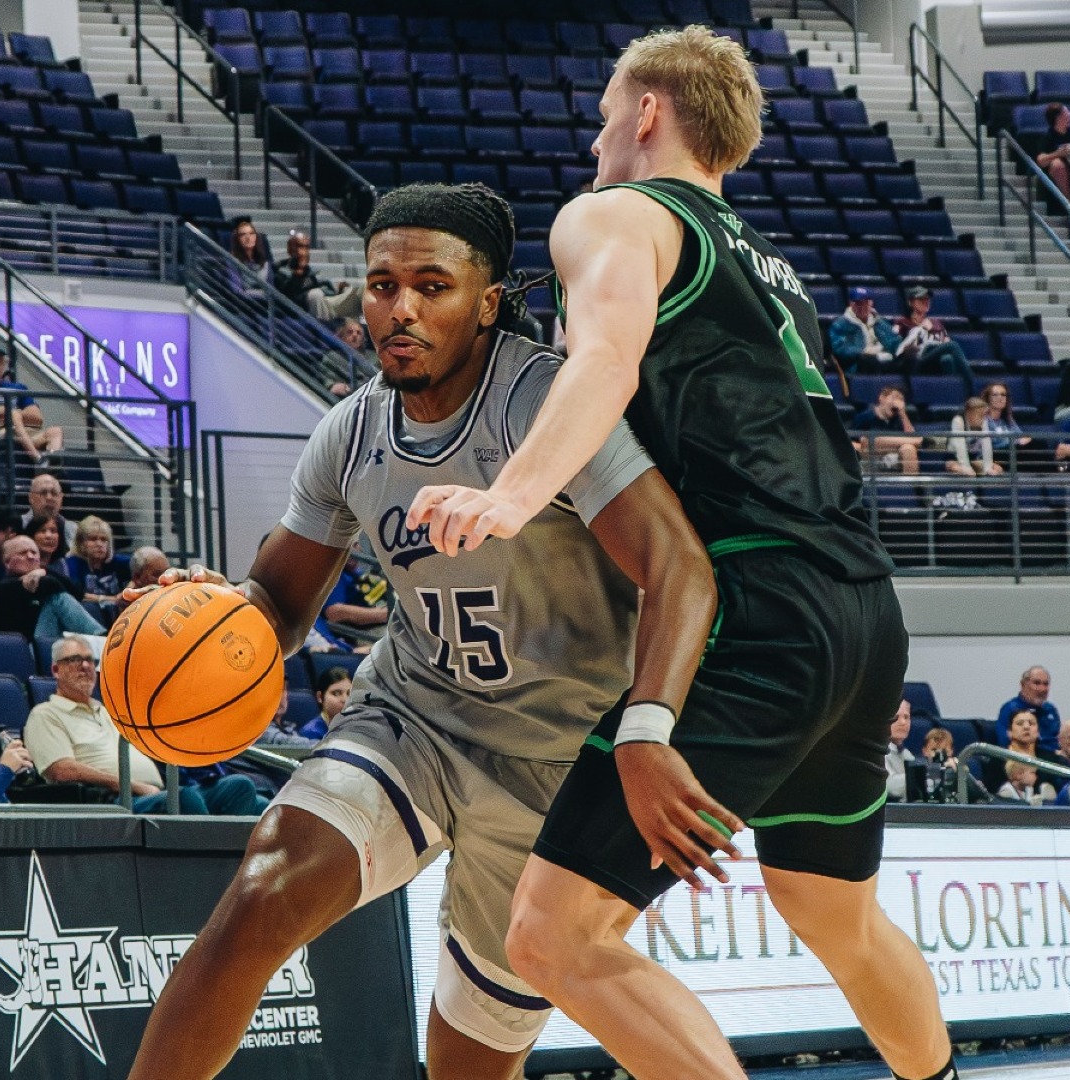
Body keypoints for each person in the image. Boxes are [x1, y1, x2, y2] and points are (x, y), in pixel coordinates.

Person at [404, 31, 957, 1080]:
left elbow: (606, 359)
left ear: (649, 112)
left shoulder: (616, 215)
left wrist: (511, 493)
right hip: (864, 613)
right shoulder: (773, 270)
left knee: (553, 934)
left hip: (759, 610)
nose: (599, 134)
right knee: (829, 908)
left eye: (609, 111)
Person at [126, 182, 719, 1080]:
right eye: (379, 284)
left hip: (559, 766)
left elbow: (680, 567)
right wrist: (207, 614)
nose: (398, 309)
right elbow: (278, 609)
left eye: (430, 286)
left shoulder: (550, 405)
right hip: (417, 719)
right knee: (262, 889)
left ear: (487, 303)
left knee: (465, 1066)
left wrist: (647, 732)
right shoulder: (349, 432)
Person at [24, 634, 264, 815]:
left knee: (238, 787)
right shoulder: (45, 714)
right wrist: (133, 786)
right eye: (75, 660)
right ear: (56, 670)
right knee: (185, 800)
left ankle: (233, 868)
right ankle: (211, 874)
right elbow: (62, 770)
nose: (86, 666)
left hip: (157, 791)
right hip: (112, 801)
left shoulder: (110, 712)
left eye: (89, 660)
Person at [0, 534, 106, 641]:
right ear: (7, 562)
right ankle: (102, 638)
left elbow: (76, 591)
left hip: (48, 640)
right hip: (25, 646)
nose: (31, 557)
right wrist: (42, 573)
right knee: (56, 599)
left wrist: (42, 570)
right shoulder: (4, 587)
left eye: (34, 552)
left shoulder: (43, 574)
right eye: (23, 553)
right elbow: (50, 584)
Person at [273, 229, 356, 320]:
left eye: (307, 247)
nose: (304, 251)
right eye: (300, 246)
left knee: (348, 291)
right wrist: (299, 273)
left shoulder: (312, 272)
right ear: (290, 249)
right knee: (315, 295)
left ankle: (351, 328)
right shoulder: (280, 270)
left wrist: (339, 291)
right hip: (296, 314)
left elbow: (327, 290)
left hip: (319, 307)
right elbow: (288, 296)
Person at [892, 287, 970, 381]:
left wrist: (933, 331)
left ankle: (953, 390)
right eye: (921, 299)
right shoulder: (902, 322)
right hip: (916, 362)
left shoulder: (936, 323)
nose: (926, 301)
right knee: (953, 346)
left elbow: (945, 340)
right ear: (910, 302)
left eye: (927, 299)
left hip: (935, 362)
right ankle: (972, 382)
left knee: (947, 359)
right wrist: (923, 329)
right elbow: (897, 347)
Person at [846, 385, 923, 476]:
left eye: (901, 399)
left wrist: (902, 414)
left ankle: (909, 489)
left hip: (893, 457)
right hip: (869, 458)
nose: (897, 403)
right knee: (868, 441)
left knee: (909, 448)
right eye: (894, 397)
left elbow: (911, 436)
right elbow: (849, 442)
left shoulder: (900, 419)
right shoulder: (865, 417)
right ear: (882, 398)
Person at [826, 286, 902, 375]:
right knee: (867, 360)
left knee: (910, 360)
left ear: (871, 303)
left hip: (885, 358)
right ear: (851, 304)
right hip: (860, 363)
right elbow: (840, 349)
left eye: (866, 303)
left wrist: (903, 348)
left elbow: (894, 341)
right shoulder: (840, 324)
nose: (862, 307)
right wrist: (863, 351)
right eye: (859, 303)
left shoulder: (880, 322)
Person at [62, 515, 126, 612]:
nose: (99, 544)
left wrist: (128, 591)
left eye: (104, 539)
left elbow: (143, 565)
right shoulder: (72, 564)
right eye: (93, 539)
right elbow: (76, 594)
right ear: (81, 543)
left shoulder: (115, 561)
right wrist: (113, 600)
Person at [996, 665, 1062, 751]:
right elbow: (1005, 743)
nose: (1042, 689)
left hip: (1055, 759)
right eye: (1037, 683)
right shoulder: (1010, 709)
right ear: (1023, 685)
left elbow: (1059, 740)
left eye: (1045, 684)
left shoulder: (1051, 710)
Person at [1030, 103, 1070, 201]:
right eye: (1067, 112)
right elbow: (1040, 160)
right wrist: (1058, 154)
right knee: (1057, 164)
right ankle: (1069, 202)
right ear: (1058, 117)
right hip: (1060, 170)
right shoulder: (1047, 136)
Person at [23, 471, 78, 548]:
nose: (49, 498)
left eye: (54, 493)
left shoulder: (73, 530)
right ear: (31, 497)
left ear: (61, 498)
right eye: (43, 493)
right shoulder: (19, 526)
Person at [946, 396, 999, 476]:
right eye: (980, 415)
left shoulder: (983, 420)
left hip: (973, 457)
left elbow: (986, 444)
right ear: (969, 413)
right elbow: (960, 447)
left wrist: (988, 467)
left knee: (998, 469)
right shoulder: (958, 420)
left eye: (984, 415)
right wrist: (966, 467)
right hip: (954, 457)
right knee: (963, 471)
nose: (983, 418)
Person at [295, 666, 351, 741]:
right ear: (320, 697)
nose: (345, 699)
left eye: (349, 693)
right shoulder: (310, 733)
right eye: (336, 693)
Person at [981, 381, 1029, 453]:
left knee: (1038, 443)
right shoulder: (984, 420)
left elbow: (1021, 436)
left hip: (1014, 452)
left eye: (1003, 395)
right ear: (988, 398)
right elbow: (995, 443)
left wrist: (1023, 440)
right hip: (997, 454)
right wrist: (1018, 441)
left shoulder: (1008, 419)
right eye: (995, 395)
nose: (1000, 398)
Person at [883, 700, 917, 801]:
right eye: (896, 717)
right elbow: (890, 786)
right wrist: (922, 776)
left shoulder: (906, 753)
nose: (903, 722)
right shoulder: (879, 752)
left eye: (906, 717)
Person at [227, 216, 271, 283]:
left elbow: (271, 288)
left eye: (251, 233)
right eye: (243, 234)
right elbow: (236, 290)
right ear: (237, 239)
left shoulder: (265, 262)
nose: (248, 237)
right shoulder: (233, 262)